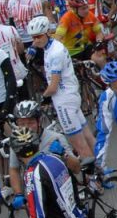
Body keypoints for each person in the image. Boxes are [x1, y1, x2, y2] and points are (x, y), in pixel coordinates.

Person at [24, 15, 94, 159]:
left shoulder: (54, 54)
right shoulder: (52, 44)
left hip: (63, 101)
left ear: (47, 33)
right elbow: (38, 43)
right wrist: (33, 47)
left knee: (80, 146)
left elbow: (53, 86)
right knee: (88, 137)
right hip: (71, 96)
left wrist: (42, 100)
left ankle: (94, 178)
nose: (35, 40)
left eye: (38, 37)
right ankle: (103, 171)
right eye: (33, 37)